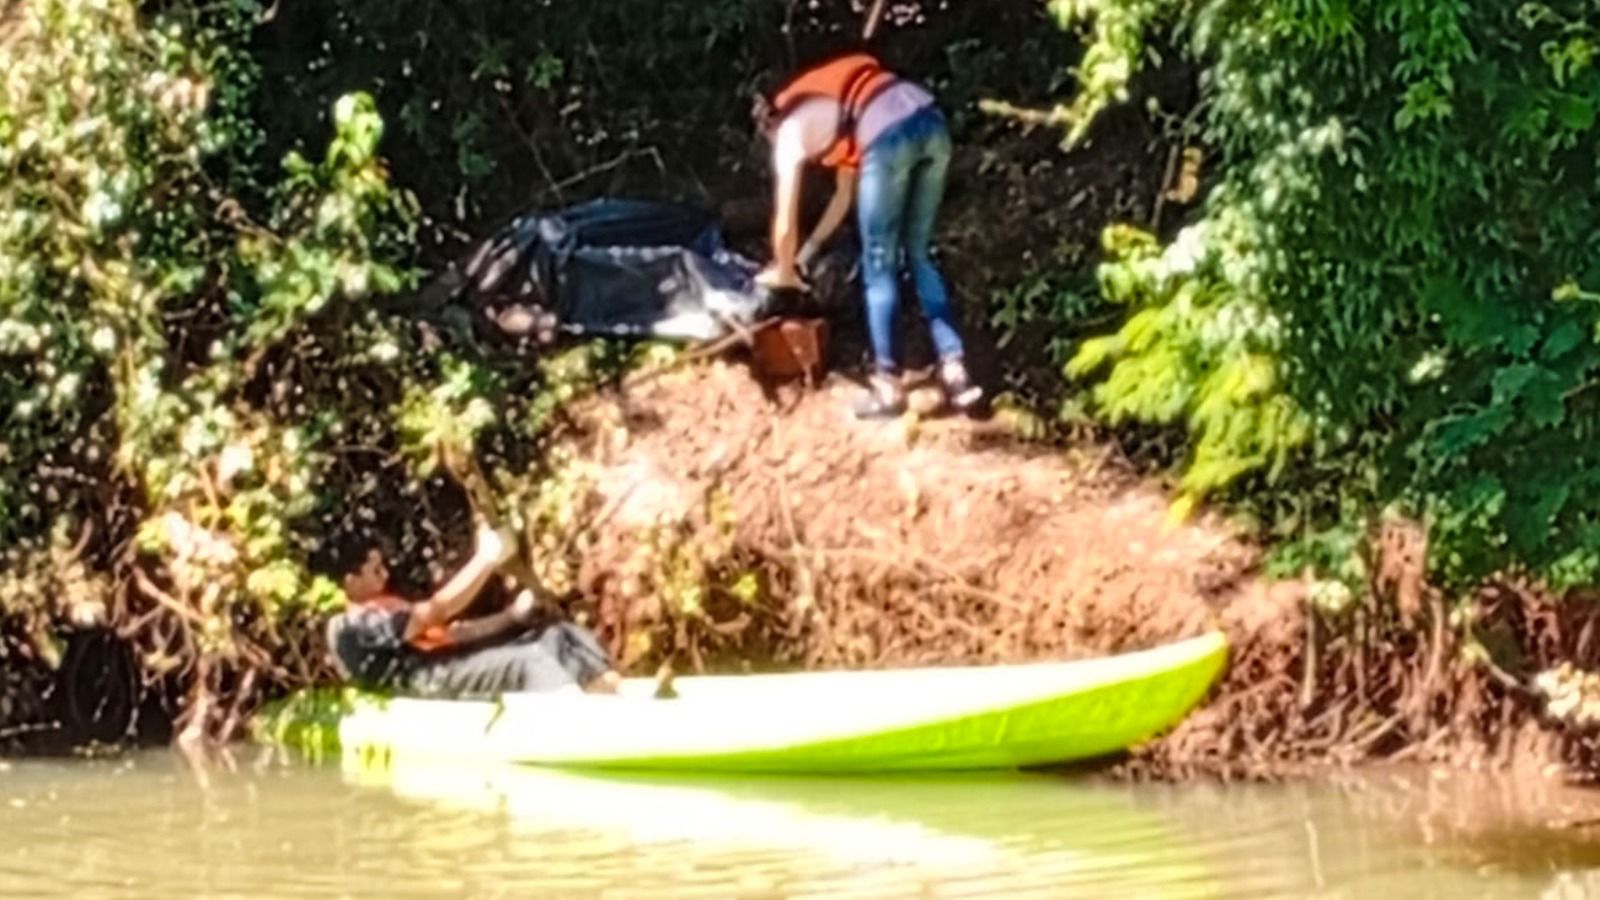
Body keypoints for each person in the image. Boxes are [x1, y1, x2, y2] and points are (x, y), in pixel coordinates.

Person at [753, 49, 982, 419]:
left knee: (879, 262)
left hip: (888, 137)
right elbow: (842, 198)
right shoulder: (841, 111)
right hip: (931, 123)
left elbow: (784, 220)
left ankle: (888, 387)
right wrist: (804, 256)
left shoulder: (789, 133)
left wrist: (782, 273)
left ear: (771, 126)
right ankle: (955, 370)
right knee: (919, 253)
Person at [324, 519, 623, 698]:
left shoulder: (384, 608)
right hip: (423, 684)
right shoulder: (351, 626)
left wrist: (511, 616)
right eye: (375, 570)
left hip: (446, 666)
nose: (385, 575)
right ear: (351, 581)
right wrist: (486, 558)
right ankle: (582, 722)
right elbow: (437, 611)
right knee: (528, 662)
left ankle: (609, 691)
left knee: (557, 636)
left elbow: (455, 634)